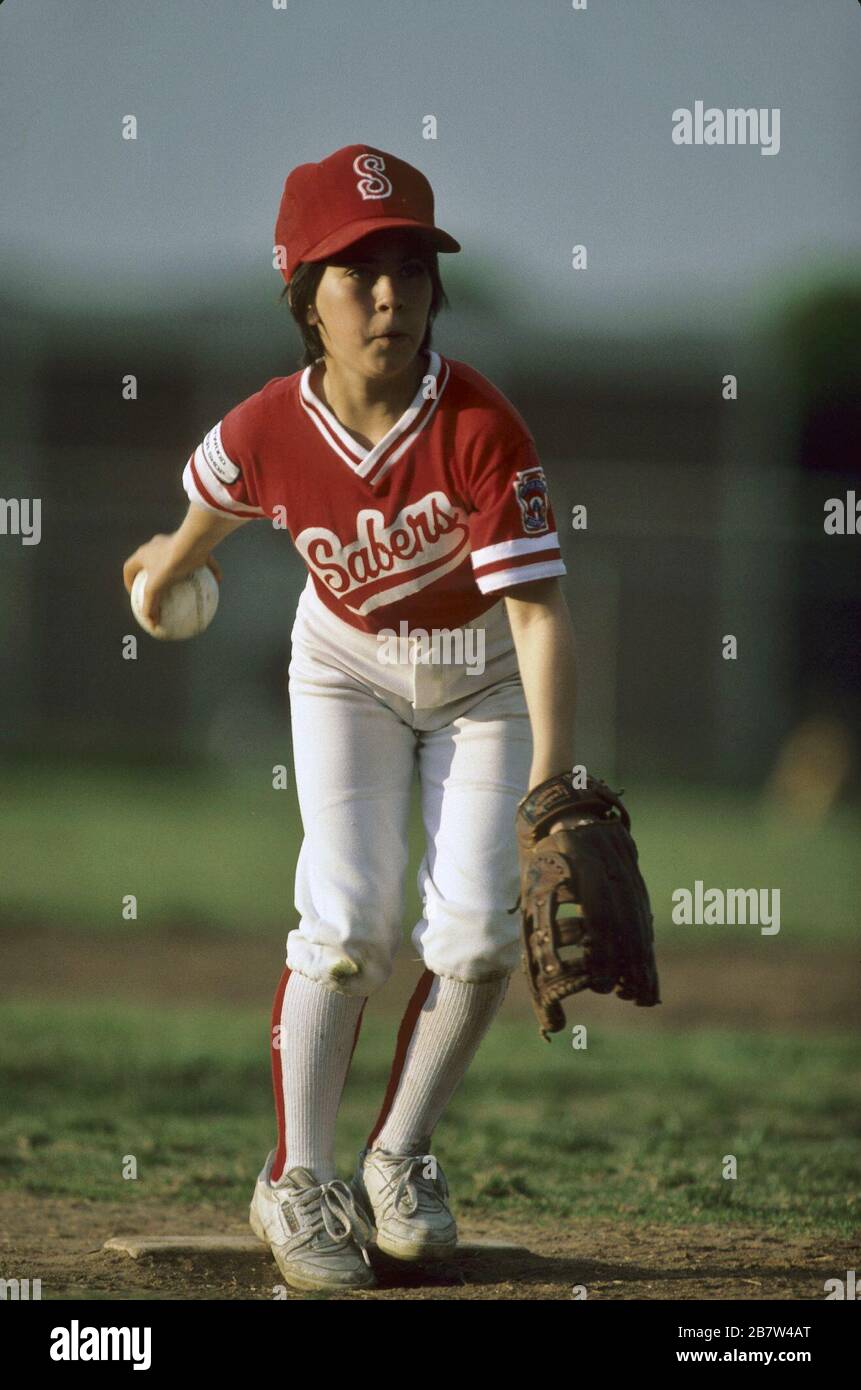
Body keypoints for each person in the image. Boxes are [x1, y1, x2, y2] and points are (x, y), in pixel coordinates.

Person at [122, 144, 577, 1293]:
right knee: (352, 918)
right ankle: (297, 1177)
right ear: (302, 295)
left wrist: (555, 784)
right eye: (355, 270)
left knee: (477, 933)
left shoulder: (478, 425)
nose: (389, 294)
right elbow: (204, 515)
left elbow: (538, 614)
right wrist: (160, 574)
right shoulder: (268, 427)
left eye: (411, 267)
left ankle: (399, 1154)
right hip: (346, 673)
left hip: (479, 681)